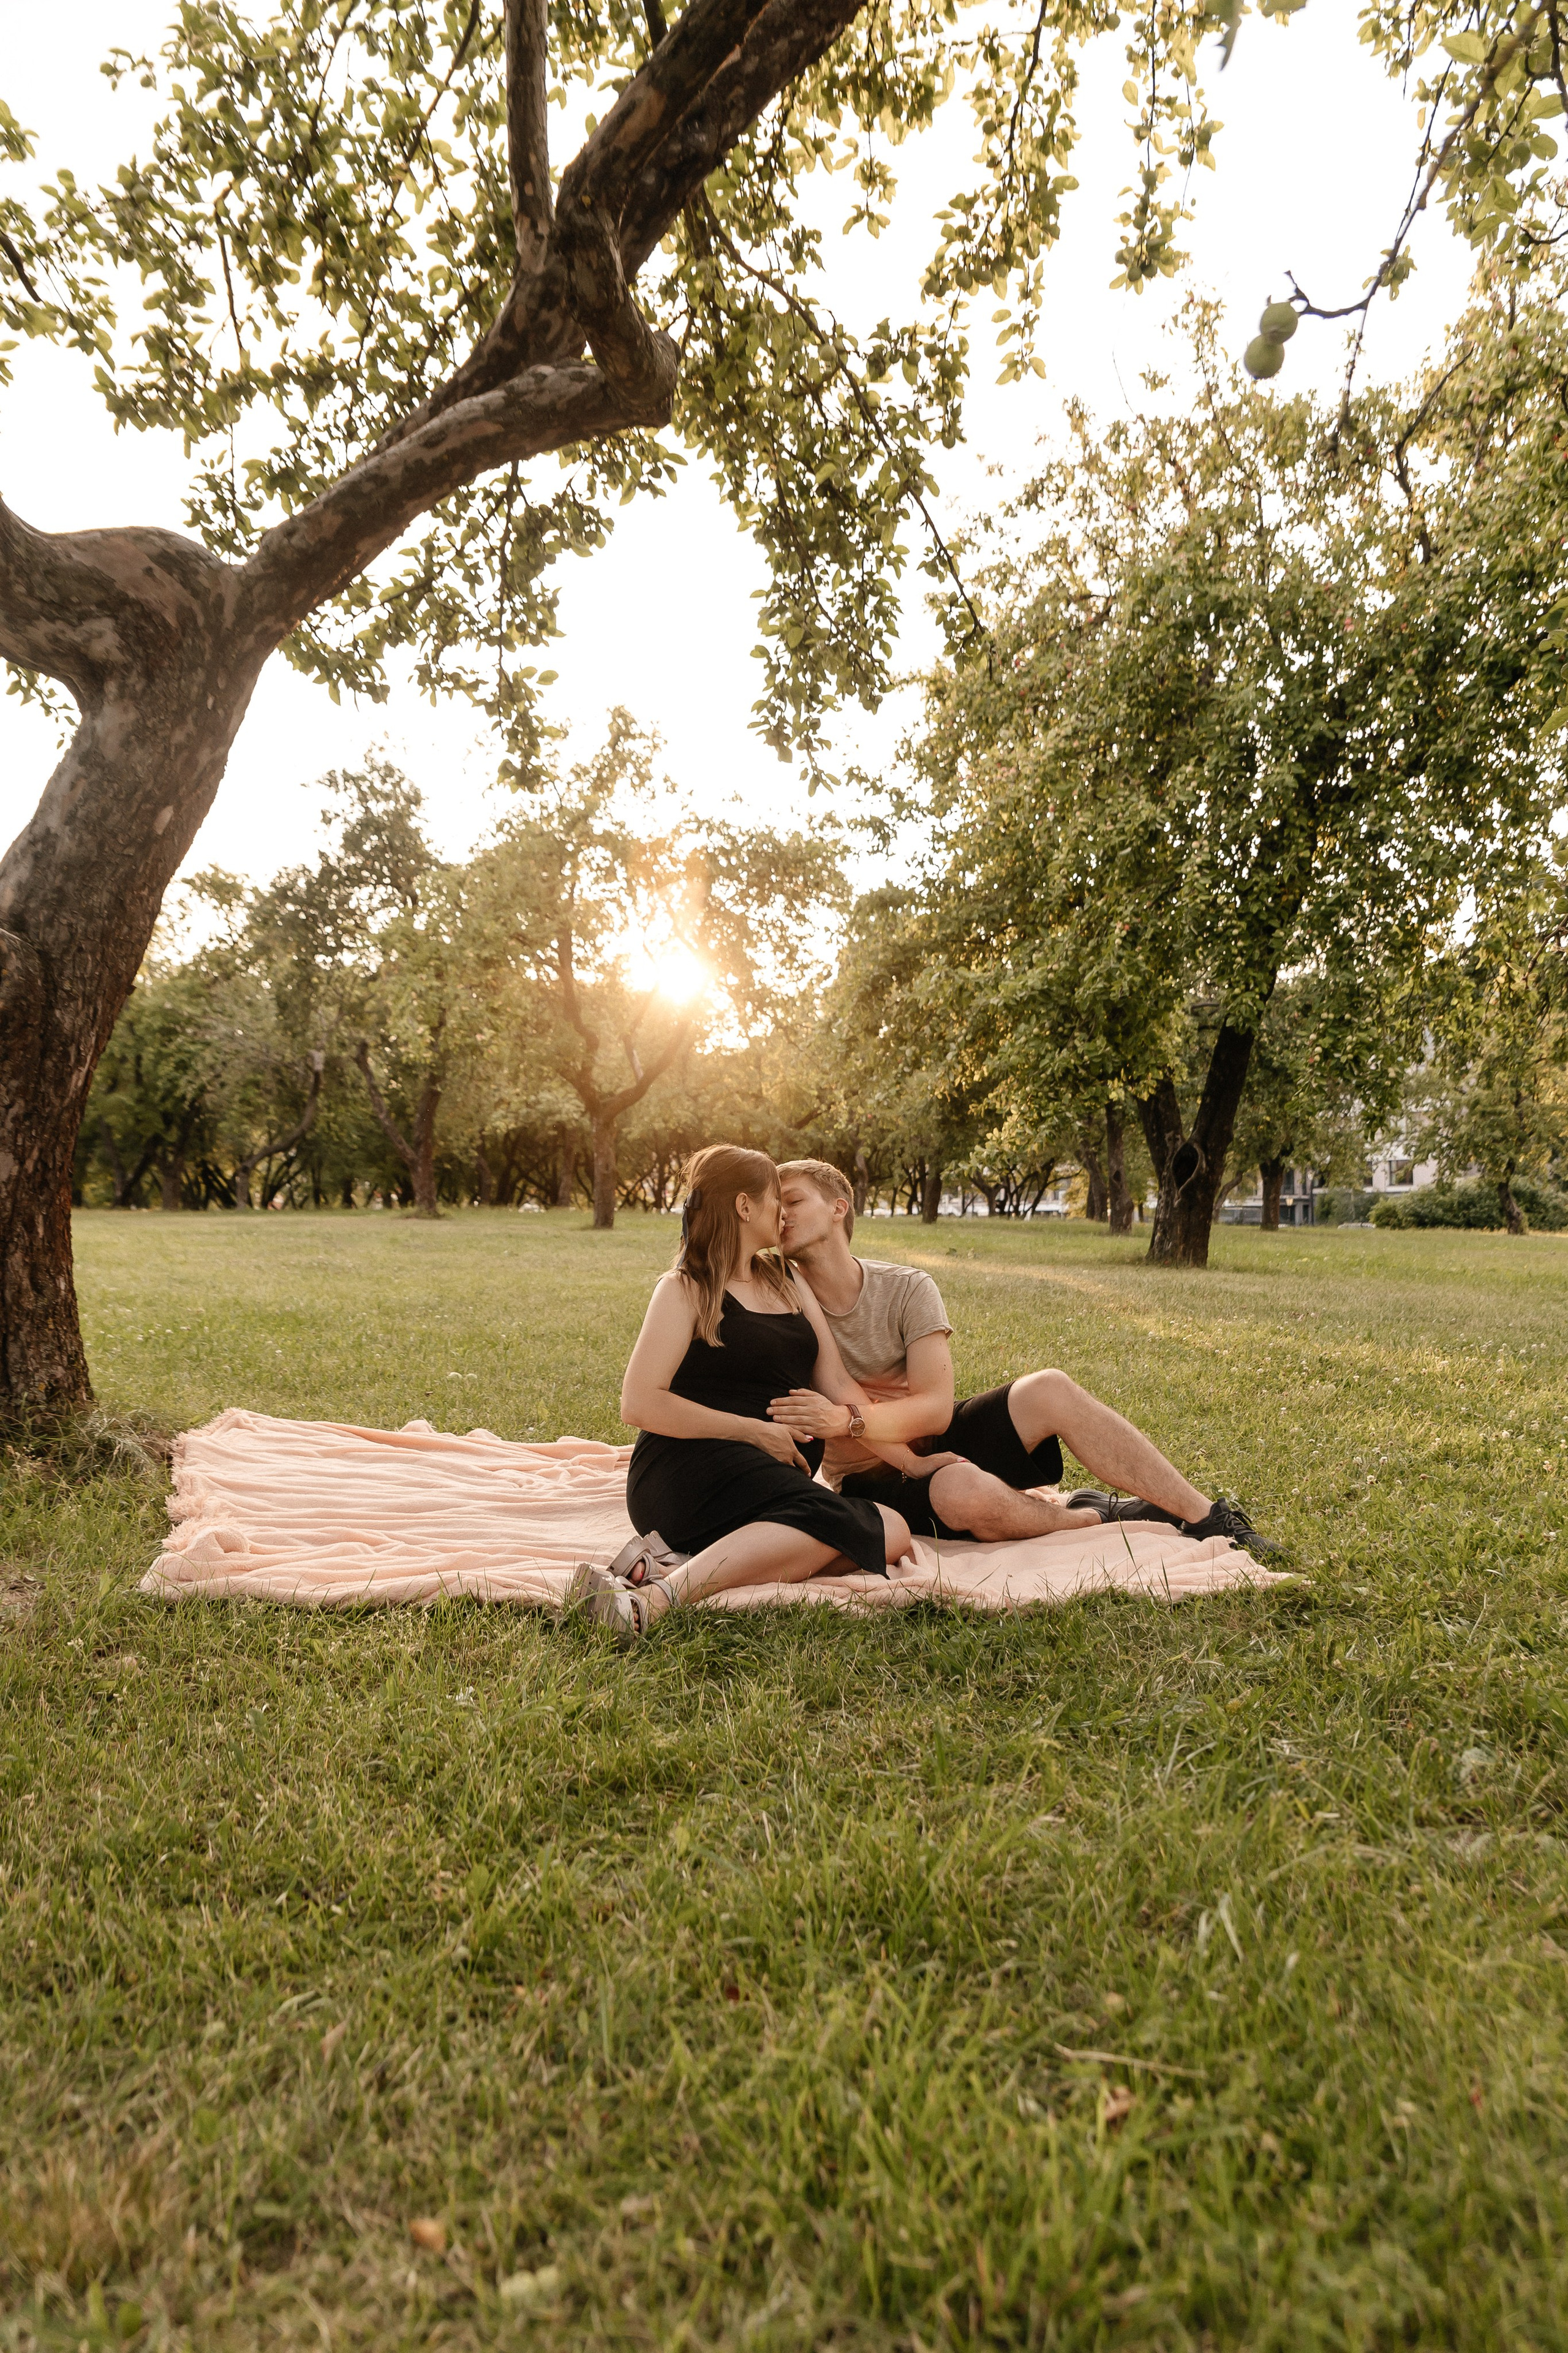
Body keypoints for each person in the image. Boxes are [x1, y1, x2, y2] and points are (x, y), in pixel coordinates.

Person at [766, 1158, 1280, 1558]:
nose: (781, 1214)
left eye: (793, 1200)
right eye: (775, 1208)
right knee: (963, 1491)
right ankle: (1091, 1518)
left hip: (940, 1441)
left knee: (1049, 1387)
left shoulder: (906, 1288)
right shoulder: (778, 1301)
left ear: (839, 1207)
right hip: (867, 1476)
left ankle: (1208, 1515)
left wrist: (856, 1419)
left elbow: (935, 1410)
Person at [576, 1144, 925, 1641]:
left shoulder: (787, 1280)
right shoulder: (685, 1289)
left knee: (891, 1529)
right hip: (688, 1470)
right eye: (773, 1200)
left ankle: (675, 1567)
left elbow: (838, 1385)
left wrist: (911, 1462)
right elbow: (639, 1402)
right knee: (868, 1529)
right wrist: (757, 1433)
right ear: (744, 1207)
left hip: (771, 1477)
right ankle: (656, 1601)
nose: (782, 1212)